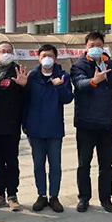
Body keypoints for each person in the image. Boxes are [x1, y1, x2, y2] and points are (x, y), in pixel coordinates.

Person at [70, 31, 112, 213]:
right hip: (86, 123)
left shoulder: (111, 66)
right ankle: (84, 197)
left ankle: (106, 198)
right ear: (86, 47)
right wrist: (93, 80)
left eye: (99, 45)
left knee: (106, 164)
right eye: (92, 45)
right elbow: (79, 84)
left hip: (107, 123)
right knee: (84, 163)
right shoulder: (78, 66)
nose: (96, 48)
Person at [23, 44, 74, 213]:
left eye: (50, 56)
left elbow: (68, 99)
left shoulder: (63, 76)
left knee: (55, 165)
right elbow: (25, 102)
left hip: (54, 128)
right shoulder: (32, 77)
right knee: (38, 164)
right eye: (44, 55)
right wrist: (25, 124)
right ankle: (41, 195)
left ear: (55, 58)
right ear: (38, 58)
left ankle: (54, 196)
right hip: (35, 129)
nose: (47, 59)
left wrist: (59, 86)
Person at [0, 43, 28, 212]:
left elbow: (26, 99)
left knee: (11, 161)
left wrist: (24, 86)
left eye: (9, 51)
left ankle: (12, 195)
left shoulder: (18, 72)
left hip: (10, 125)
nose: (6, 54)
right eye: (3, 51)